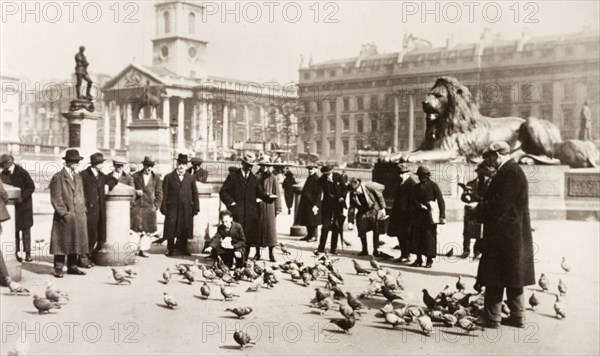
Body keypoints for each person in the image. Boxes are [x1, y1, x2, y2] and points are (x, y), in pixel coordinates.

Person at [472, 141, 535, 329]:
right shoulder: (512, 171)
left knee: (494, 275)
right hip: (513, 234)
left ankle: (492, 317)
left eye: (490, 157)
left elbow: (501, 205)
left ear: (498, 155)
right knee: (513, 276)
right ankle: (517, 316)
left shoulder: (509, 173)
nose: (489, 161)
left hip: (503, 234)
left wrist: (478, 208)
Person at [219, 153, 276, 260]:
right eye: (248, 164)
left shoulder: (254, 179)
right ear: (242, 164)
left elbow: (260, 193)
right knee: (235, 237)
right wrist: (232, 204)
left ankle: (244, 260)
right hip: (237, 213)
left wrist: (269, 197)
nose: (250, 167)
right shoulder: (233, 176)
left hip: (251, 215)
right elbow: (223, 192)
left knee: (248, 239)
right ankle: (231, 259)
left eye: (252, 165)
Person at [49, 149, 89, 278]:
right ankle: (58, 268)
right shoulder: (58, 177)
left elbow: (81, 195)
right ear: (68, 162)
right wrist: (65, 214)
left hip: (79, 215)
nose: (78, 164)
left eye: (78, 161)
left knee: (76, 241)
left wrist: (83, 211)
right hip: (65, 216)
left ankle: (72, 266)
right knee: (62, 242)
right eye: (75, 162)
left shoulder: (78, 177)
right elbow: (56, 199)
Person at [79, 153, 118, 267]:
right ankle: (83, 258)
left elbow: (113, 180)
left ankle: (90, 256)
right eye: (101, 163)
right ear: (95, 164)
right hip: (88, 211)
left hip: (100, 211)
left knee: (99, 236)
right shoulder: (83, 175)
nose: (102, 165)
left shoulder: (101, 175)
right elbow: (79, 192)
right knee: (88, 235)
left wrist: (108, 185)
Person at [159, 154, 200, 257]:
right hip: (172, 208)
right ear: (176, 164)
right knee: (171, 228)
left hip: (186, 208)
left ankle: (183, 248)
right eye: (180, 164)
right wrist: (163, 207)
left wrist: (196, 207)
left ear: (186, 166)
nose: (181, 166)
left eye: (184, 164)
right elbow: (165, 193)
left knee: (184, 228)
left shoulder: (190, 178)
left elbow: (195, 194)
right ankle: (170, 249)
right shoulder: (168, 177)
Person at [0, 154, 35, 262]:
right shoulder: (3, 174)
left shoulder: (22, 172)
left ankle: (28, 253)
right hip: (13, 207)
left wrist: (23, 197)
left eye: (4, 165)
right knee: (14, 230)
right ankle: (15, 254)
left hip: (25, 206)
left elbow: (31, 186)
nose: (3, 168)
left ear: (10, 163)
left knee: (26, 230)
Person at [410, 166, 446, 268]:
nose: (420, 178)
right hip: (418, 216)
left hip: (430, 217)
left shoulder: (434, 186)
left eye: (422, 176)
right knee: (417, 237)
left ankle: (429, 260)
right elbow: (412, 199)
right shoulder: (416, 187)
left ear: (427, 176)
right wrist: (419, 205)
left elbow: (440, 200)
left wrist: (442, 214)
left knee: (429, 238)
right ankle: (418, 259)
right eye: (419, 176)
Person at [459, 162, 495, 259]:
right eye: (479, 171)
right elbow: (463, 197)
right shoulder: (470, 184)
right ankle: (466, 250)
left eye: (483, 172)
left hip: (481, 210)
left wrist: (476, 198)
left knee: (480, 231)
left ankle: (477, 251)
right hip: (470, 210)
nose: (481, 174)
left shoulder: (490, 185)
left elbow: (487, 199)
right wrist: (466, 197)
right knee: (467, 231)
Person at [132, 156, 163, 258]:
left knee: (148, 231)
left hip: (150, 208)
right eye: (147, 166)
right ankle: (132, 250)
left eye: (151, 166)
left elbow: (159, 193)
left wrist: (156, 206)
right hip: (137, 207)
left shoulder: (156, 178)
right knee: (135, 230)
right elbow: (130, 189)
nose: (149, 168)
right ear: (144, 165)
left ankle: (143, 249)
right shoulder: (136, 176)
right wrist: (135, 192)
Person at [254, 156, 282, 262]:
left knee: (270, 230)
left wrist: (278, 207)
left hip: (269, 206)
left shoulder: (273, 178)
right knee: (257, 230)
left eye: (266, 165)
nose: (264, 167)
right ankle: (257, 252)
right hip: (257, 206)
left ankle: (271, 253)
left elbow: (277, 192)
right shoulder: (255, 177)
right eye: (262, 165)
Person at [348, 178, 386, 257]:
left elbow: (379, 196)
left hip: (374, 210)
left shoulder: (368, 187)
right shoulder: (352, 193)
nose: (355, 191)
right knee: (361, 229)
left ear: (359, 185)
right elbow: (351, 208)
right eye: (353, 189)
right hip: (362, 212)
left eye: (356, 189)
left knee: (376, 230)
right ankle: (364, 250)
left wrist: (383, 209)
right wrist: (350, 221)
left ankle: (376, 250)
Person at [387, 164, 417, 263]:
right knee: (400, 235)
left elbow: (412, 202)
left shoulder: (411, 184)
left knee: (407, 236)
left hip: (407, 216)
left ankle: (407, 255)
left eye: (403, 173)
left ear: (408, 173)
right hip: (399, 215)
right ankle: (403, 254)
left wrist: (410, 216)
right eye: (400, 173)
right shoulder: (401, 183)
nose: (400, 175)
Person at [316, 164, 348, 255]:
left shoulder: (338, 177)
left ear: (332, 171)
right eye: (326, 173)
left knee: (336, 226)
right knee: (325, 226)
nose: (328, 175)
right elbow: (318, 189)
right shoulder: (322, 179)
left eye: (329, 173)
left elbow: (345, 189)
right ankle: (321, 247)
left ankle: (333, 248)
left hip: (338, 205)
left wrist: (342, 197)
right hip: (327, 206)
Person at [297, 164, 322, 243]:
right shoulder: (310, 178)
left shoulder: (317, 179)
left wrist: (315, 204)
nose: (310, 171)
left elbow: (318, 193)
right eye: (309, 169)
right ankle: (309, 235)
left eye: (312, 169)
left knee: (313, 220)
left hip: (312, 203)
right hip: (307, 203)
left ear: (315, 170)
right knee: (308, 219)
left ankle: (314, 236)